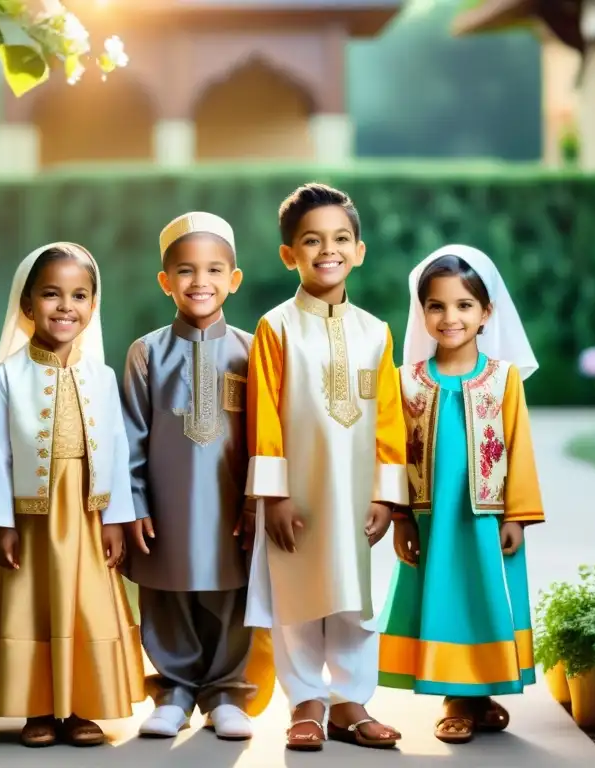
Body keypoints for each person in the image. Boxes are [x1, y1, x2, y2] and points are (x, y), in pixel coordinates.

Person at [245, 183, 408, 752]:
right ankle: (306, 703)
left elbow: (389, 420)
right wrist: (275, 496)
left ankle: (352, 702)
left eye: (341, 238)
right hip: (299, 494)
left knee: (354, 598)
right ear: (290, 254)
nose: (328, 250)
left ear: (359, 250)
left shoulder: (375, 332)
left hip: (358, 494)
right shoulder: (276, 327)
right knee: (296, 597)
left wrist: (387, 496)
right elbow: (264, 416)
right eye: (312, 240)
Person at [0, 242, 144, 748]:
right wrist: (1, 522)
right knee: (34, 604)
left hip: (88, 516)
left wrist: (117, 518)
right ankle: (38, 710)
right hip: (32, 519)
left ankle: (83, 707)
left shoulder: (103, 376)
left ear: (93, 307)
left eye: (79, 295)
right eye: (51, 294)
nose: (65, 306)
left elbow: (115, 447)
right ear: (27, 307)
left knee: (85, 604)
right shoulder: (7, 376)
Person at [378, 244, 544, 745]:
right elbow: (390, 454)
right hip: (434, 519)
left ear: (486, 312)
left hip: (487, 520)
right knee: (445, 598)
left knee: (485, 598)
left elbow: (518, 446)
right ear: (422, 311)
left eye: (464, 305)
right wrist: (402, 518)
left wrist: (516, 515)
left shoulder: (503, 378)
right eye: (437, 306)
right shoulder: (405, 382)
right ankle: (454, 698)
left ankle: (480, 692)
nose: (451, 317)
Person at [122, 211, 274, 740]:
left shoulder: (255, 350)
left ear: (234, 279)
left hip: (233, 506)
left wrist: (258, 501)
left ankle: (227, 692)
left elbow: (266, 437)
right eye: (185, 271)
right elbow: (131, 436)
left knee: (232, 596)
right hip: (165, 505)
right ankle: (173, 690)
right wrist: (135, 503)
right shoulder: (146, 352)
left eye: (214, 270)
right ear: (165, 282)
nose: (200, 282)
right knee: (166, 594)